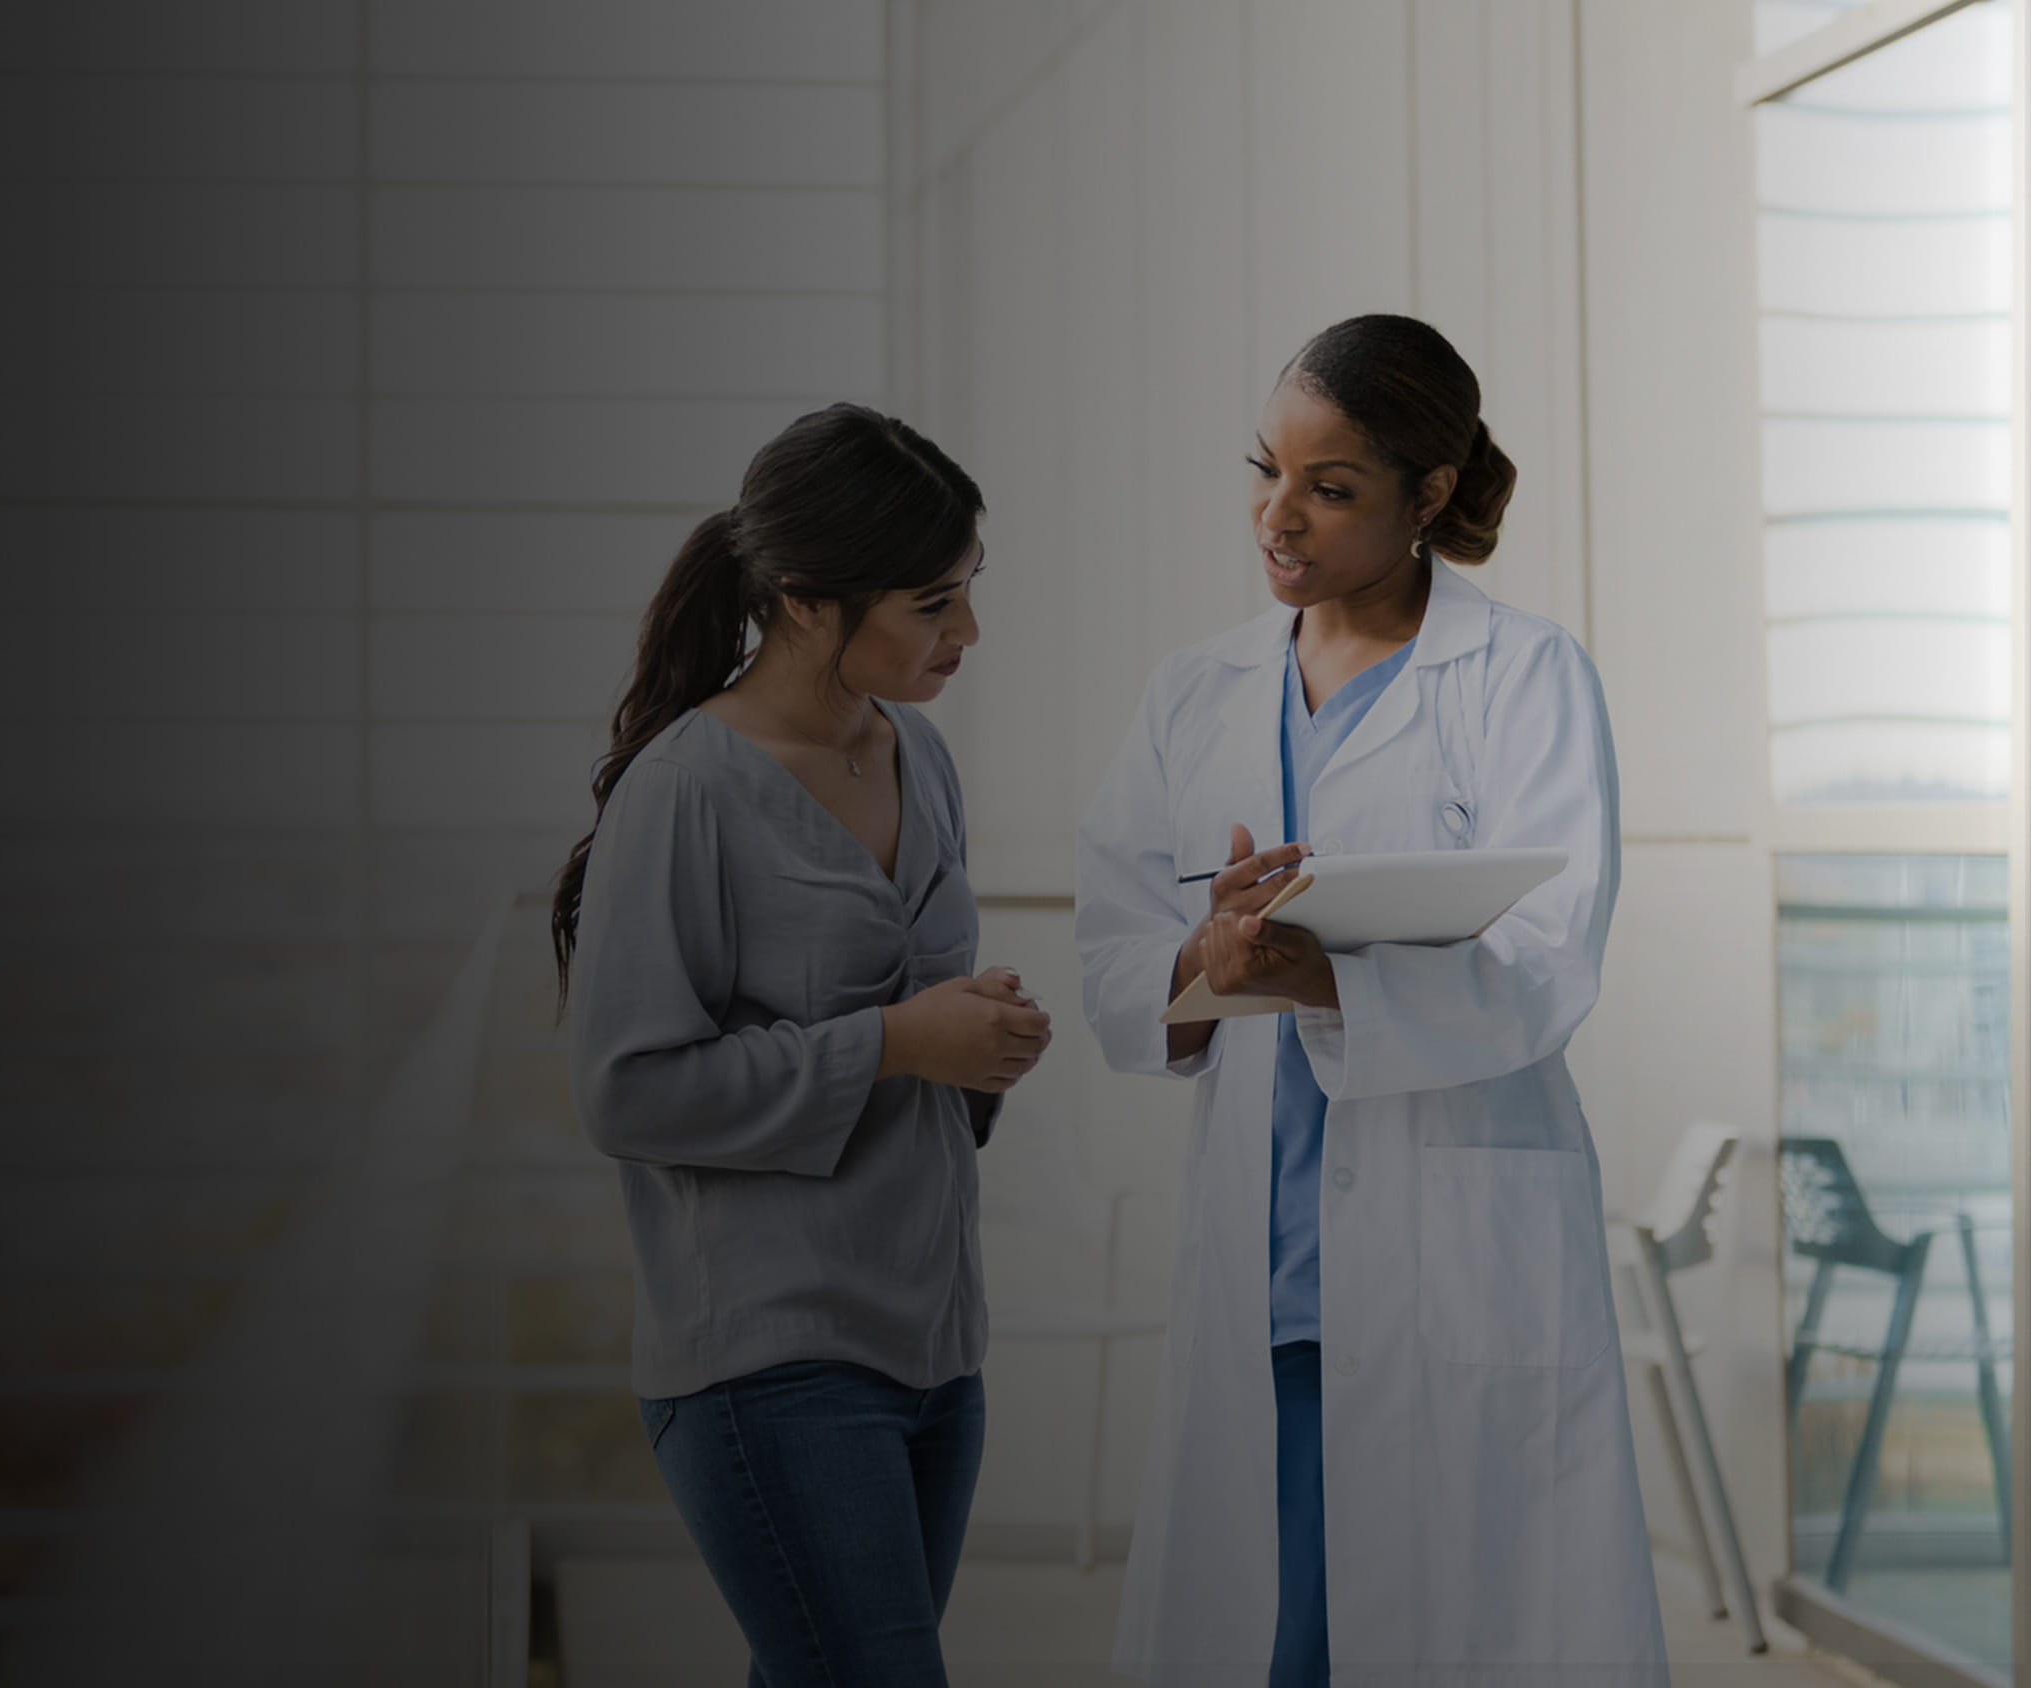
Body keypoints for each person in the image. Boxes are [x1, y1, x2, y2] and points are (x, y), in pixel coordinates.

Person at [1073, 315, 1666, 1688]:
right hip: (1268, 1264)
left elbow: (1551, 957)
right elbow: (1115, 954)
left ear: (1429, 494)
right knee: (1272, 1636)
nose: (1278, 516)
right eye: (1266, 470)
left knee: (1460, 1627)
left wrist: (1325, 976)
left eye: (1330, 488)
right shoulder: (1198, 692)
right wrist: (1209, 956)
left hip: (1451, 1252)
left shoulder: (1523, 677)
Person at [558, 402, 1051, 1688]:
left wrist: (979, 1039)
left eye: (969, 589)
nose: (967, 631)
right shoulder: (686, 789)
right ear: (804, 601)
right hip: (769, 1355)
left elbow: (921, 1034)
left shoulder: (919, 754)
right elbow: (626, 1090)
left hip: (936, 1345)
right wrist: (895, 1041)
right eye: (932, 602)